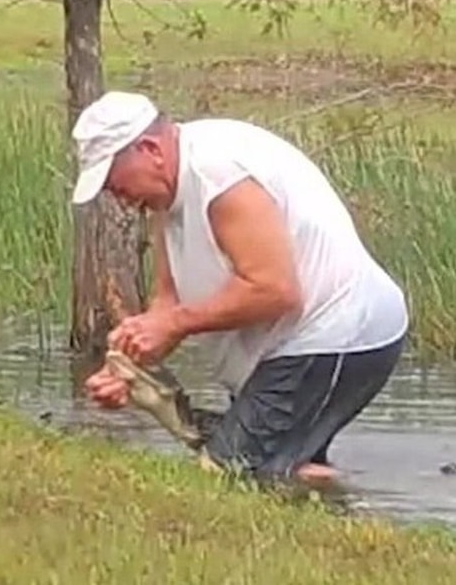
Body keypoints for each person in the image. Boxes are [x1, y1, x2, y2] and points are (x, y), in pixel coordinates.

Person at [72, 91, 409, 483]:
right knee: (272, 466)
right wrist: (128, 368)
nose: (116, 196)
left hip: (338, 332)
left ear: (150, 150)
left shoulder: (220, 175)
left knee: (229, 472)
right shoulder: (169, 195)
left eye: (112, 180)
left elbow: (276, 290)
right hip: (286, 347)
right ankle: (338, 504)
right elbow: (169, 301)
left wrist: (176, 324)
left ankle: (369, 507)